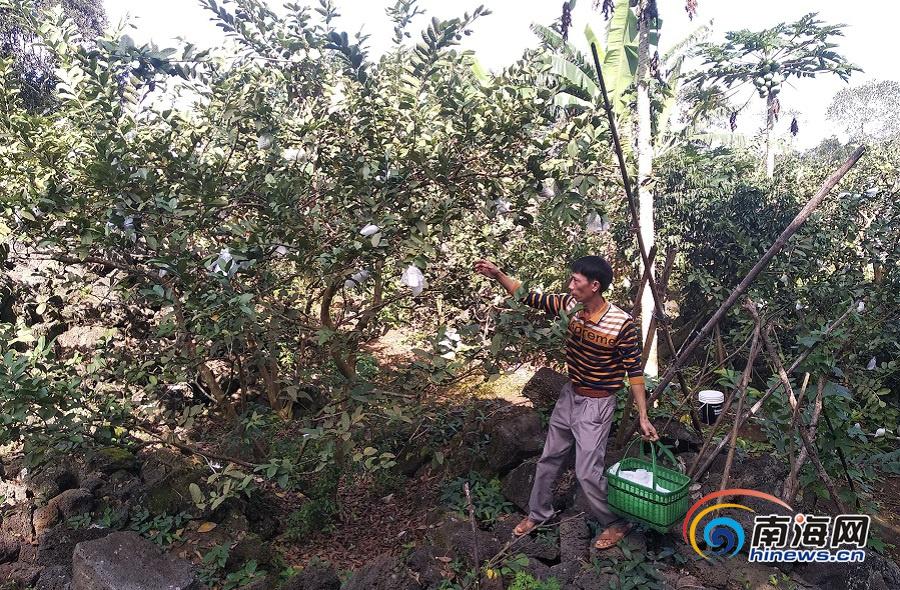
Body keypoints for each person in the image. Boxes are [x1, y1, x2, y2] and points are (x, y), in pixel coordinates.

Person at [473, 255, 659, 549]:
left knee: (587, 471)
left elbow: (634, 372)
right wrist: (498, 274)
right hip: (570, 395)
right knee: (550, 458)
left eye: (576, 281)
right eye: (571, 280)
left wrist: (644, 415)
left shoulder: (621, 324)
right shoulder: (571, 306)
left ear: (595, 286)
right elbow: (529, 297)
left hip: (597, 405)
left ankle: (615, 523)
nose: (570, 286)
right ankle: (539, 513)